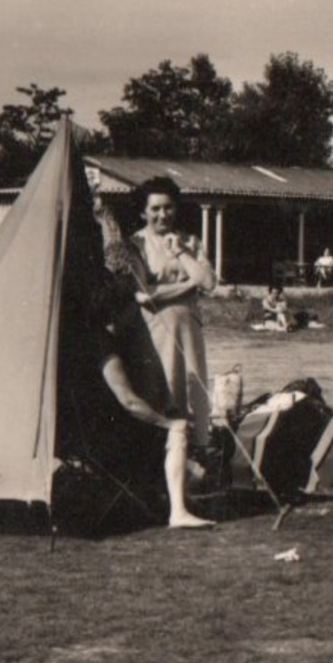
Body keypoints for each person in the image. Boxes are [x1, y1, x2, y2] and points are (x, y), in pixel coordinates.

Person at [124, 175, 218, 529]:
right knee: (162, 406)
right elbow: (142, 296)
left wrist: (180, 253)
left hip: (190, 335)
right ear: (143, 212)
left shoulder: (190, 241)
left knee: (191, 406)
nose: (162, 215)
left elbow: (209, 282)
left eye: (168, 208)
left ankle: (180, 494)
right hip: (155, 335)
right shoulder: (133, 244)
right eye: (155, 209)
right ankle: (163, 498)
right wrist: (188, 284)